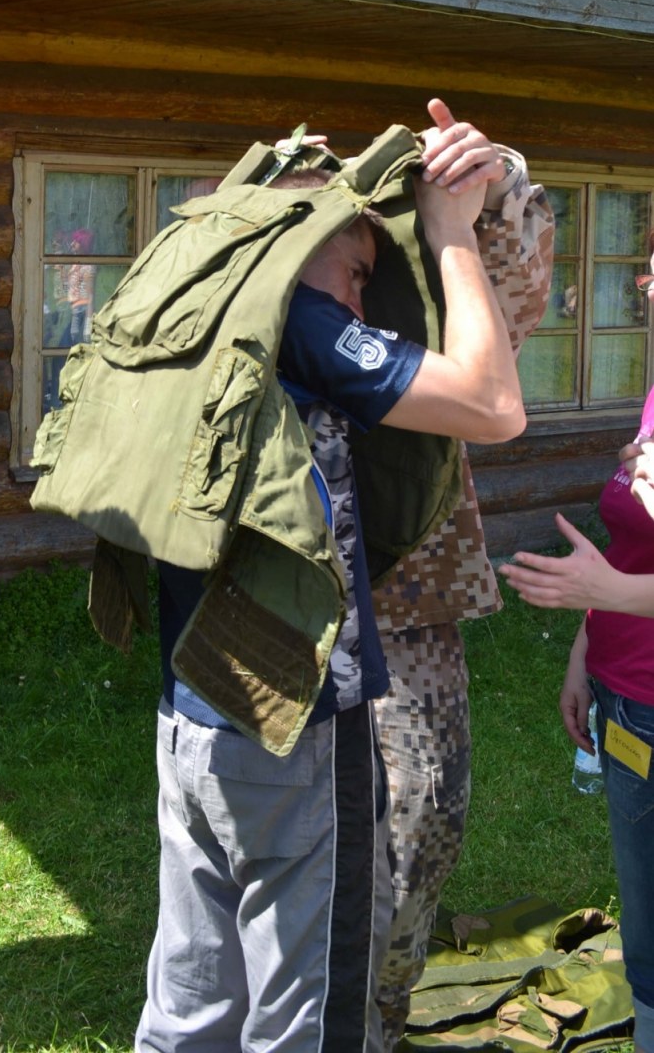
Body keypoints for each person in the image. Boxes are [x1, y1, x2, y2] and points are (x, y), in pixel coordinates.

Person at [136, 99, 527, 1053]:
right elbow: (493, 405)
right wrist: (448, 231)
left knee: (192, 1001)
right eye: (355, 271)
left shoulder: (190, 309)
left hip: (194, 709)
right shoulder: (302, 322)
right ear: (299, 239)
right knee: (309, 1013)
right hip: (296, 722)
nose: (359, 299)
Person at [372, 134, 553, 1050]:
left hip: (409, 601)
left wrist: (495, 177)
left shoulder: (431, 283)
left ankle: (380, 1005)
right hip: (282, 606)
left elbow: (517, 300)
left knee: (423, 811)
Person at [501, 235, 654, 1053]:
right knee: (650, 940)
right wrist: (584, 652)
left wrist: (604, 595)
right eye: (650, 265)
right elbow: (632, 546)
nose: (647, 283)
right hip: (627, 699)